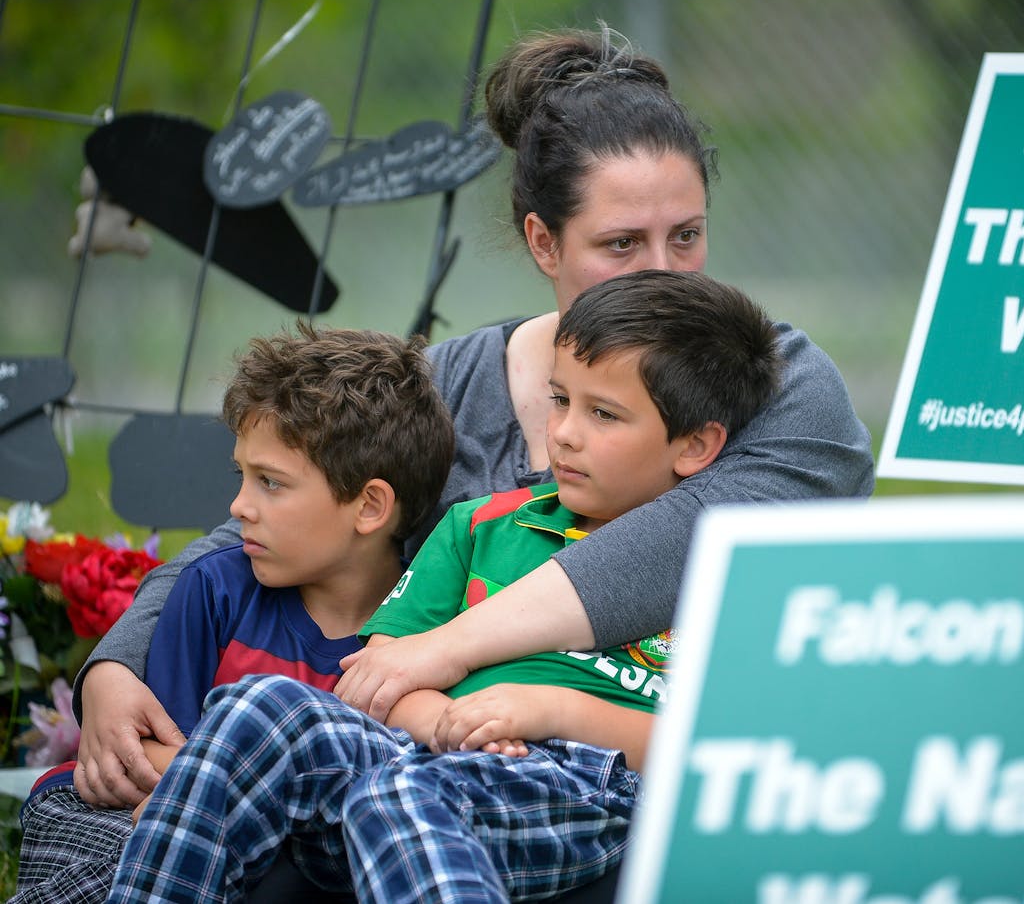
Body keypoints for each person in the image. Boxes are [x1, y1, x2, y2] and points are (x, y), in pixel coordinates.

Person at [72, 22, 875, 812]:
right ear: (544, 242)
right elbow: (269, 515)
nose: (664, 274)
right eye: (623, 243)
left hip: (694, 794)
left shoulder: (783, 386)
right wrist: (119, 665)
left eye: (687, 236)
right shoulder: (452, 386)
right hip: (457, 781)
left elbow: (677, 543)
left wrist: (441, 647)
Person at [106, 269, 783, 903]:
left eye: (603, 414)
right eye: (559, 400)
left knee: (395, 793)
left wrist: (547, 709)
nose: (565, 434)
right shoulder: (479, 525)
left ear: (694, 446)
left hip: (589, 787)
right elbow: (376, 681)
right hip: (435, 757)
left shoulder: (725, 567)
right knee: (260, 708)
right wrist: (446, 726)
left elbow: (712, 748)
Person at [11, 323, 455, 904]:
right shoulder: (215, 590)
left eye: (271, 483)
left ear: (369, 506)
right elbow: (146, 763)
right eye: (242, 475)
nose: (238, 506)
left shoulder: (432, 633)